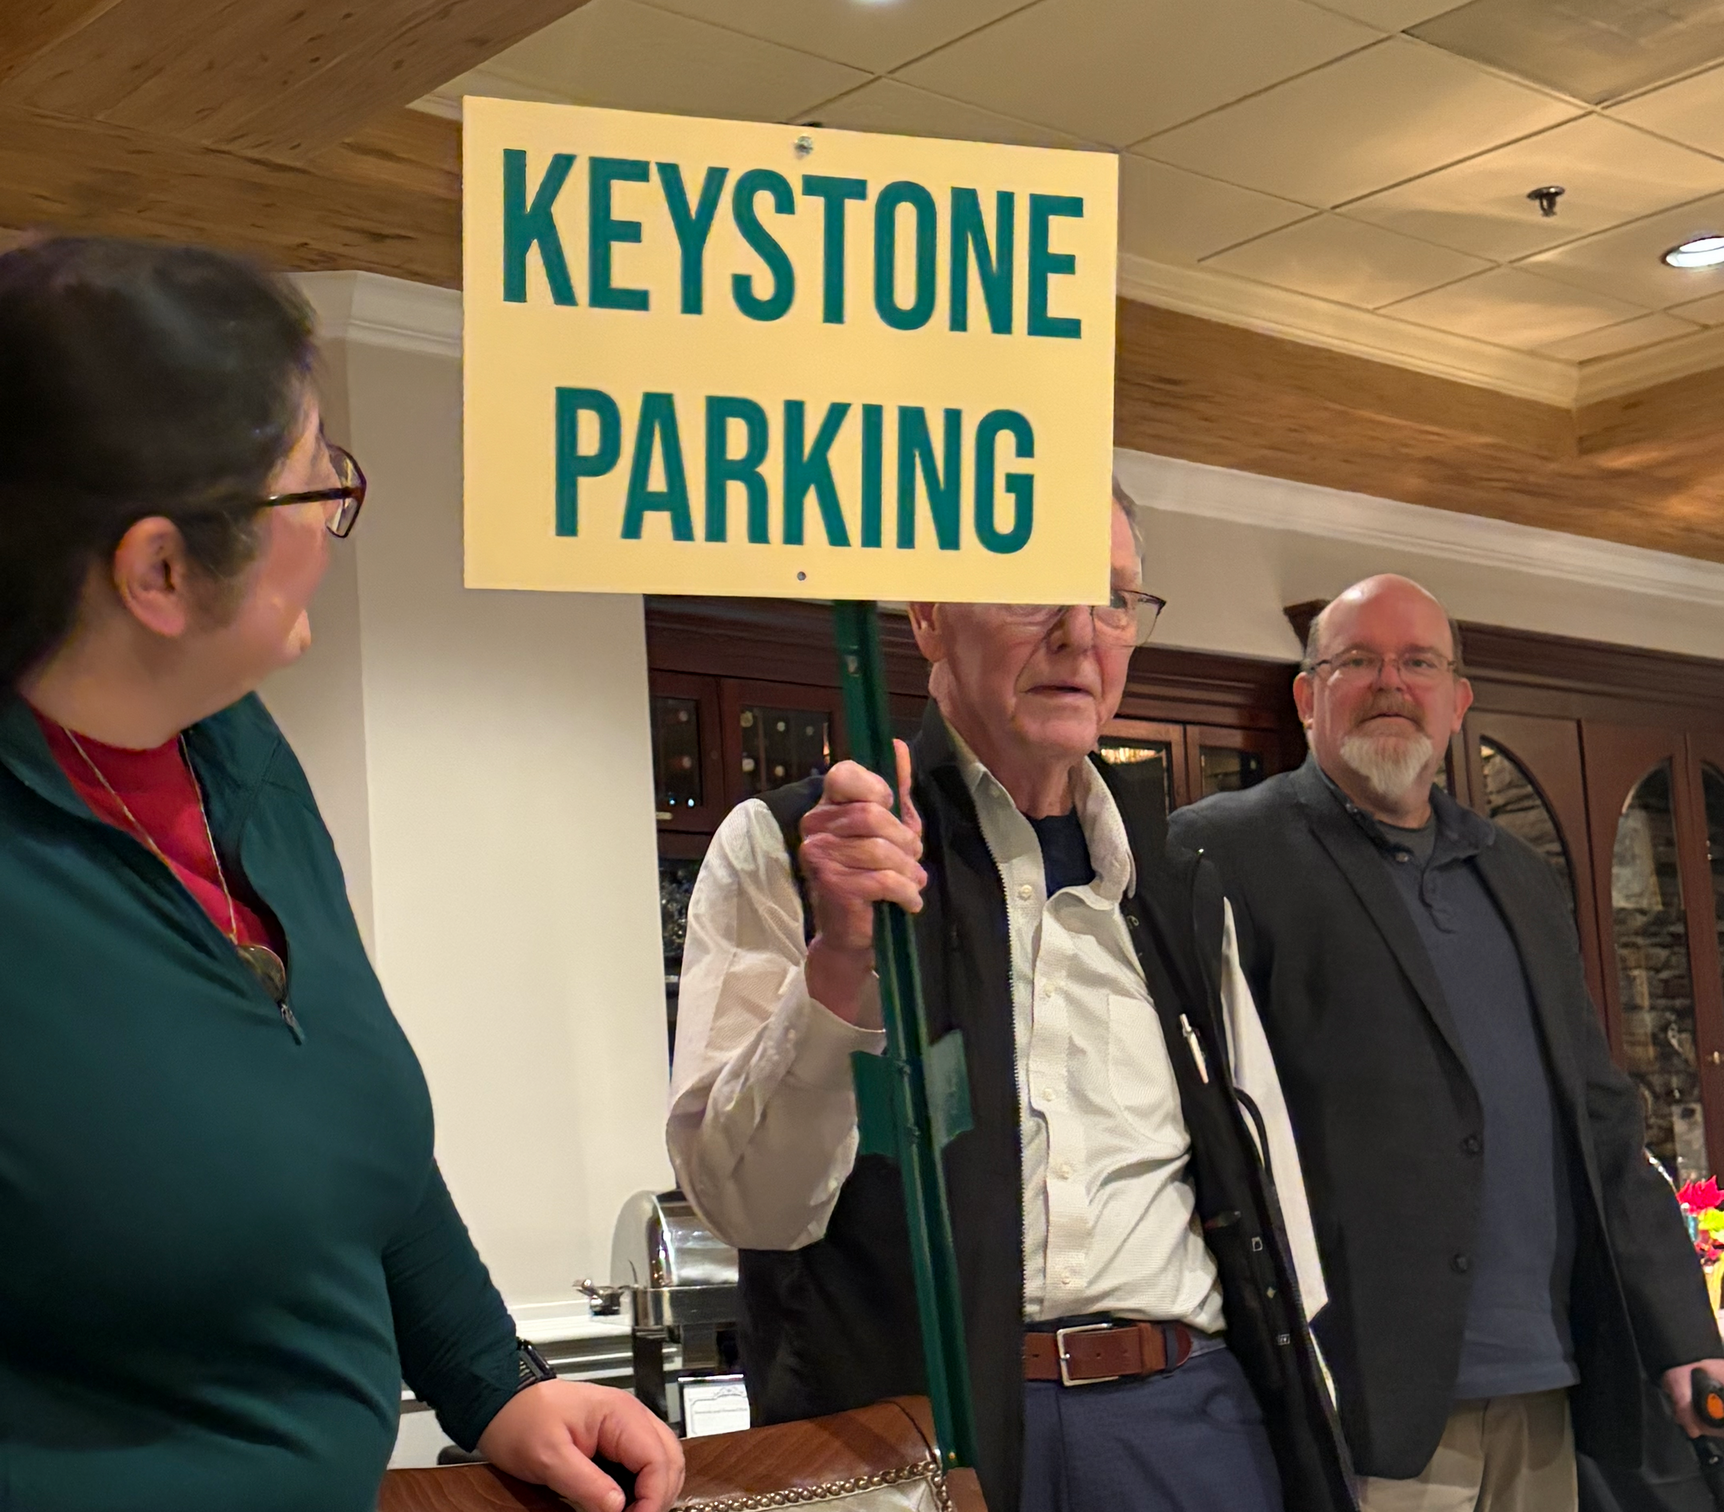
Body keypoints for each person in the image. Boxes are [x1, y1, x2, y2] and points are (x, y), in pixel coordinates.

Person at [0, 237, 684, 1512]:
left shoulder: (232, 749)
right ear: (159, 572)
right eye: (314, 489)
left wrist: (496, 1379)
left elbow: (346, 1135)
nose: (335, 519)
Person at [667, 485, 1353, 1512]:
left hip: (1184, 1427)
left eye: (1114, 600)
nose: (1079, 637)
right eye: (1034, 589)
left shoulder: (1176, 877)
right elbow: (751, 1204)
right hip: (913, 1441)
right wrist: (842, 961)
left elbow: (1267, 1187)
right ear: (927, 615)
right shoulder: (795, 849)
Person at [1169, 573, 1724, 1511]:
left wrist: (1682, 1331)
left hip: (1548, 1385)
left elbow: (1600, 1120)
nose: (1392, 682)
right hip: (1362, 1401)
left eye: (1419, 662)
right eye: (1358, 661)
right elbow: (1207, 1133)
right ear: (1309, 696)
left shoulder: (1515, 873)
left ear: (1458, 700)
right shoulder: (1220, 853)